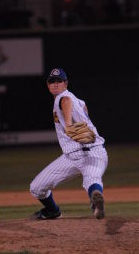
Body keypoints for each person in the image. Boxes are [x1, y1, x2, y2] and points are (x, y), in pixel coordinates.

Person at [30, 68, 108, 220]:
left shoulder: (63, 97)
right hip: (71, 156)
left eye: (59, 81)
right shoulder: (75, 98)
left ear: (66, 84)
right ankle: (53, 211)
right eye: (52, 82)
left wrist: (67, 123)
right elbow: (84, 107)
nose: (55, 84)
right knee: (36, 187)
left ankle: (96, 204)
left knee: (92, 180)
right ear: (48, 85)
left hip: (93, 151)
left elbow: (66, 102)